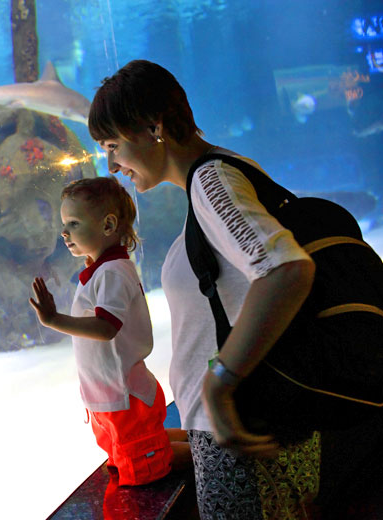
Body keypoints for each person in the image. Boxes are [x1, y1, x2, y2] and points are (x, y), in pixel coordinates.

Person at [87, 59, 383, 519]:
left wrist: (220, 383)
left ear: (153, 128)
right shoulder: (228, 170)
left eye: (113, 145)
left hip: (246, 425)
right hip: (252, 424)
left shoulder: (211, 181)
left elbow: (286, 269)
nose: (113, 163)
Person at [29, 176, 191, 487]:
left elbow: (106, 328)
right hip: (109, 395)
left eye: (74, 223)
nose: (64, 232)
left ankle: (212, 456)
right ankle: (205, 445)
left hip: (124, 395)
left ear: (107, 225)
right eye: (64, 223)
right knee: (139, 450)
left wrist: (53, 319)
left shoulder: (113, 272)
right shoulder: (102, 270)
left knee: (147, 463)